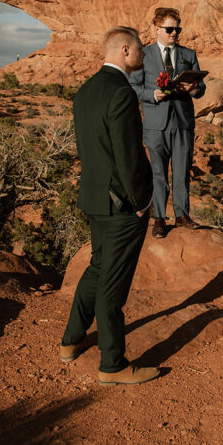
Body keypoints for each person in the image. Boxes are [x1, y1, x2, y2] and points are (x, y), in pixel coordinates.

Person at [60, 27, 158, 384]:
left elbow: (91, 149)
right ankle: (113, 365)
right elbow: (127, 155)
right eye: (140, 51)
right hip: (121, 204)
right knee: (113, 284)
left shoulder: (85, 91)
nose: (143, 57)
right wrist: (139, 201)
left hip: (94, 197)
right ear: (124, 50)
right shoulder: (120, 93)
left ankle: (71, 340)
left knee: (98, 267)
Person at [130, 7, 206, 237]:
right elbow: (133, 88)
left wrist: (193, 88)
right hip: (155, 124)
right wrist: (153, 95)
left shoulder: (188, 54)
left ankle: (182, 215)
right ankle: (160, 218)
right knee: (158, 173)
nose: (175, 33)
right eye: (170, 29)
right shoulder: (144, 55)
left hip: (182, 122)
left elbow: (201, 89)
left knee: (182, 170)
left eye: (178, 29)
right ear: (157, 28)